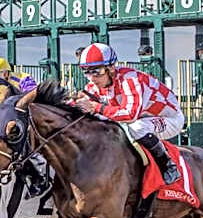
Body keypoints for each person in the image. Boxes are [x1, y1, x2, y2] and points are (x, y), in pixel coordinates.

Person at [73, 43, 183, 186]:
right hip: (142, 117)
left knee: (137, 127)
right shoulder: (94, 85)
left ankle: (168, 166)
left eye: (97, 71)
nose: (92, 78)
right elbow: (80, 106)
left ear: (111, 68)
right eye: (86, 72)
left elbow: (130, 114)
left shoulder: (130, 79)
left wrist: (97, 107)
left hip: (169, 118)